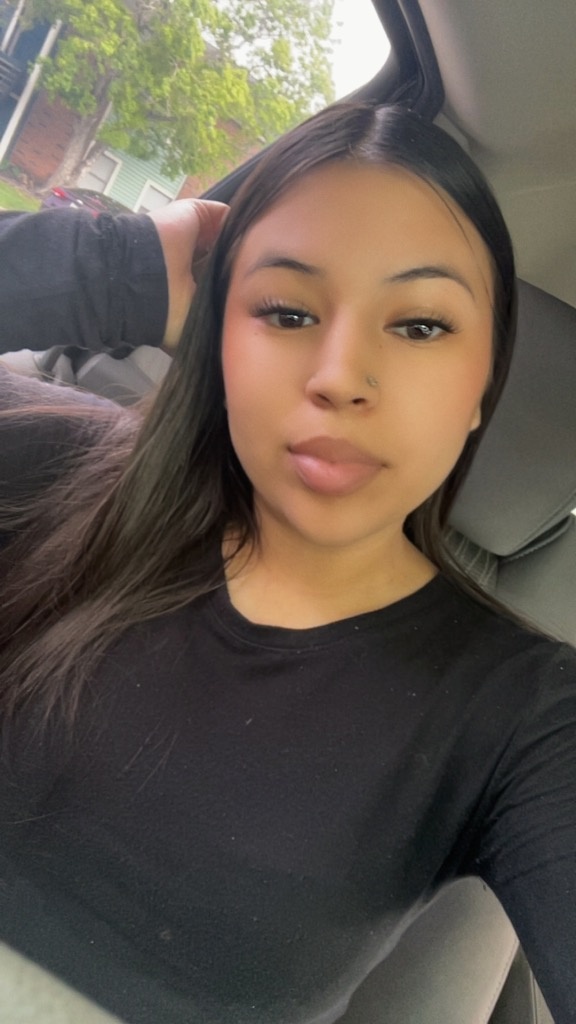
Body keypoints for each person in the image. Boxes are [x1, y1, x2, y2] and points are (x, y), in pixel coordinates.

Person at [0, 102, 575, 1024]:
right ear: (218, 337)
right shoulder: (46, 466)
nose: (339, 375)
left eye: (420, 325)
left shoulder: (526, 718)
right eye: (286, 310)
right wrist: (117, 272)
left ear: (484, 386)